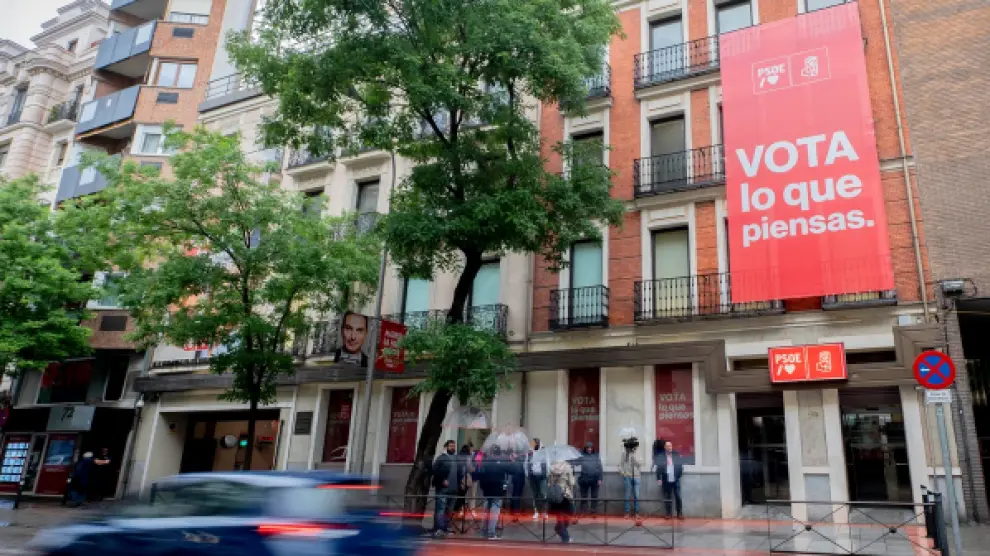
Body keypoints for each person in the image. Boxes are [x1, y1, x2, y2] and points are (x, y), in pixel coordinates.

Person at [431, 440, 464, 537]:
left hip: (453, 489)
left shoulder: (456, 458)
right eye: (450, 446)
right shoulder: (441, 458)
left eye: (454, 446)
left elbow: (459, 472)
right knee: (441, 509)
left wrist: (460, 482)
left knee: (450, 510)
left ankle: (447, 527)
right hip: (443, 489)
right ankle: (439, 528)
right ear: (446, 447)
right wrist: (442, 480)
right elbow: (434, 471)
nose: (453, 448)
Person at [476, 446, 508, 540]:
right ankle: (491, 533)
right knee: (494, 512)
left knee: (486, 511)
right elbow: (503, 478)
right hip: (497, 491)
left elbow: (481, 476)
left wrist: (483, 488)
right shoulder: (502, 464)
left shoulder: (485, 462)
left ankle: (483, 531)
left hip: (487, 490)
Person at [547, 457, 576, 543]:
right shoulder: (567, 467)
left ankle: (560, 530)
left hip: (556, 494)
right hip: (565, 493)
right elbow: (572, 483)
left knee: (559, 516)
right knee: (569, 513)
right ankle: (565, 536)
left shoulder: (551, 468)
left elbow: (549, 483)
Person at [656, 440, 684, 519]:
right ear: (665, 447)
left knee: (678, 496)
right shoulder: (661, 456)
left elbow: (680, 466)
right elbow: (659, 468)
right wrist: (659, 478)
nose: (669, 447)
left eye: (670, 446)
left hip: (675, 478)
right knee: (667, 497)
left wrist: (678, 476)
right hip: (666, 478)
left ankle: (679, 513)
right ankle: (668, 513)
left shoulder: (676, 454)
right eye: (667, 446)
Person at [576, 442, 603, 518]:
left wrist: (600, 478)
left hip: (595, 478)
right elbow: (576, 463)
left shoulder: (596, 456)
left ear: (593, 448)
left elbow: (600, 468)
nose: (589, 449)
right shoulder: (582, 456)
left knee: (594, 496)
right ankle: (583, 512)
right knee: (583, 497)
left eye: (590, 448)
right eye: (588, 448)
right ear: (586, 448)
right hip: (584, 478)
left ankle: (593, 511)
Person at [620, 437, 643, 518]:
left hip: (637, 476)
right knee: (627, 495)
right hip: (628, 476)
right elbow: (621, 464)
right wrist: (623, 473)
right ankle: (627, 512)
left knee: (637, 495)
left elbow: (640, 464)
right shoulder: (624, 453)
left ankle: (637, 512)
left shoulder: (638, 452)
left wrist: (634, 459)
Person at [525, 438, 548, 520]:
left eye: (536, 443)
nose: (535, 445)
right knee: (535, 494)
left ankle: (544, 511)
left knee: (543, 494)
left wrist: (547, 474)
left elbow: (547, 463)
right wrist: (528, 474)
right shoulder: (530, 453)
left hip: (542, 476)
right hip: (533, 476)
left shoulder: (543, 452)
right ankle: (536, 511)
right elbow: (526, 464)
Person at [453, 444, 474, 518]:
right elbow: (470, 468)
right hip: (464, 479)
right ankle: (456, 512)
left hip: (456, 478)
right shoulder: (468, 457)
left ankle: (456, 512)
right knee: (461, 496)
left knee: (459, 496)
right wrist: (473, 469)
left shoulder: (457, 456)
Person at [507, 451, 525, 521]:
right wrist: (512, 461)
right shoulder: (518, 459)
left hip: (517, 479)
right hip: (518, 479)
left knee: (515, 495)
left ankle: (513, 512)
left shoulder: (519, 459)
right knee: (516, 495)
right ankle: (515, 513)